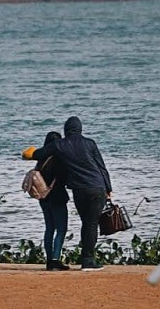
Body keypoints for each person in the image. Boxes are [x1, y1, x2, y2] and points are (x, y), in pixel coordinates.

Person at [24, 116, 112, 271]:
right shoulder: (90, 143)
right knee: (91, 224)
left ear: (66, 130)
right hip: (96, 187)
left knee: (86, 223)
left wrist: (27, 152)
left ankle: (82, 259)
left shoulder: (59, 145)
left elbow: (37, 154)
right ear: (80, 129)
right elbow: (101, 166)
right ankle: (88, 260)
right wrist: (109, 188)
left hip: (78, 190)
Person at [33, 131, 70, 271]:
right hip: (58, 197)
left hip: (43, 198)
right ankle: (55, 259)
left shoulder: (40, 161)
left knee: (49, 228)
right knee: (61, 229)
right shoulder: (58, 160)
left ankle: (49, 260)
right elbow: (64, 179)